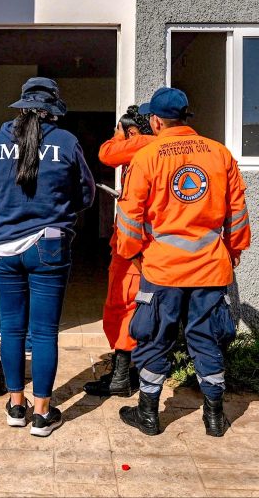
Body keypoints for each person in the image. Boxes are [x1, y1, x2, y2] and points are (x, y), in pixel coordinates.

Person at [115, 87, 251, 437]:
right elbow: (237, 215)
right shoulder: (220, 154)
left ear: (156, 121)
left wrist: (132, 252)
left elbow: (129, 217)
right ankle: (215, 418)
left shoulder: (148, 156)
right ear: (186, 118)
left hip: (163, 270)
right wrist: (231, 253)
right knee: (206, 338)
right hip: (210, 267)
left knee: (155, 337)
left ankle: (148, 415)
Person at [0, 77, 95, 437]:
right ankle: (42, 414)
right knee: (42, 332)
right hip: (49, 246)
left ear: (21, 106)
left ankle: (15, 405)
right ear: (53, 110)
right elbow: (85, 196)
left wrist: (10, 206)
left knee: (11, 328)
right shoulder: (66, 142)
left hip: (3, 248)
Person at [84, 106, 156, 397]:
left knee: (123, 307)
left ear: (134, 133)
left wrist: (120, 134)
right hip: (150, 246)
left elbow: (107, 153)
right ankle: (131, 373)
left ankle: (121, 379)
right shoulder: (161, 150)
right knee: (137, 309)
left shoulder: (147, 145)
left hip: (134, 248)